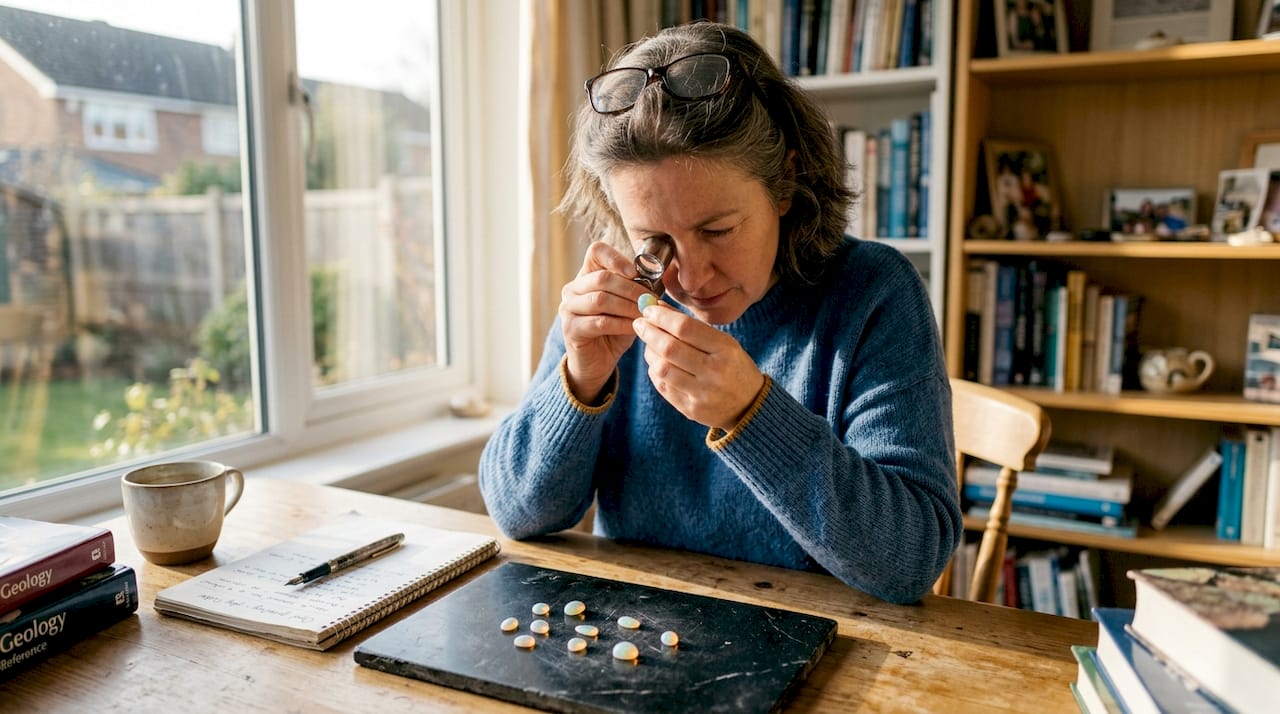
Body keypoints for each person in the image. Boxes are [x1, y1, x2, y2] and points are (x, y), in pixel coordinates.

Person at [478, 22, 959, 605]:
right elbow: (516, 513)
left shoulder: (873, 293)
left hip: (827, 649)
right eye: (654, 239)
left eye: (718, 230)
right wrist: (580, 379)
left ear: (786, 181)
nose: (691, 277)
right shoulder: (619, 297)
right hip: (638, 635)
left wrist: (750, 413)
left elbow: (911, 560)